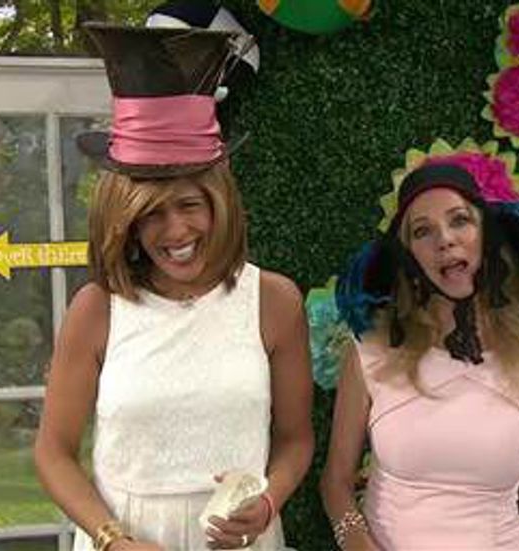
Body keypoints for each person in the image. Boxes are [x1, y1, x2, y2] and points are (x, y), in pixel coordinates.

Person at [34, 24, 314, 551]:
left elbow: (296, 439)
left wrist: (268, 502)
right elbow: (53, 452)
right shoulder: (97, 309)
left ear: (219, 204)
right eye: (151, 214)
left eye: (189, 205)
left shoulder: (274, 302)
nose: (176, 231)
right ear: (127, 222)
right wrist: (114, 540)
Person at [319, 162, 519, 550]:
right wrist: (358, 544)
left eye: (459, 220)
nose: (445, 240)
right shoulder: (370, 355)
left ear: (486, 238)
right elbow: (335, 482)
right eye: (422, 231)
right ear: (408, 257)